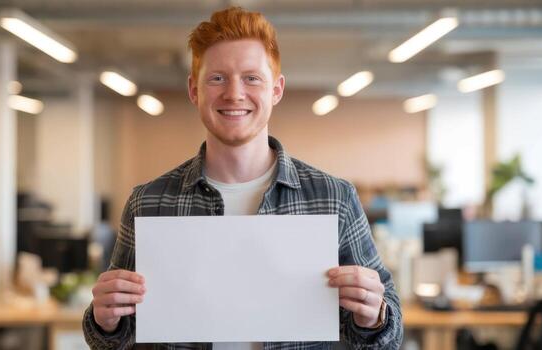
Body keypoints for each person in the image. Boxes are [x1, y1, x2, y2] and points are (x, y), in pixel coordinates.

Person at [83, 7, 403, 350]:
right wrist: (104, 320)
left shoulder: (333, 198)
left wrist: (374, 316)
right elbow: (113, 338)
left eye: (252, 78)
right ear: (194, 91)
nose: (234, 93)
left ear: (276, 90)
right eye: (217, 78)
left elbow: (390, 335)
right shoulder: (147, 202)